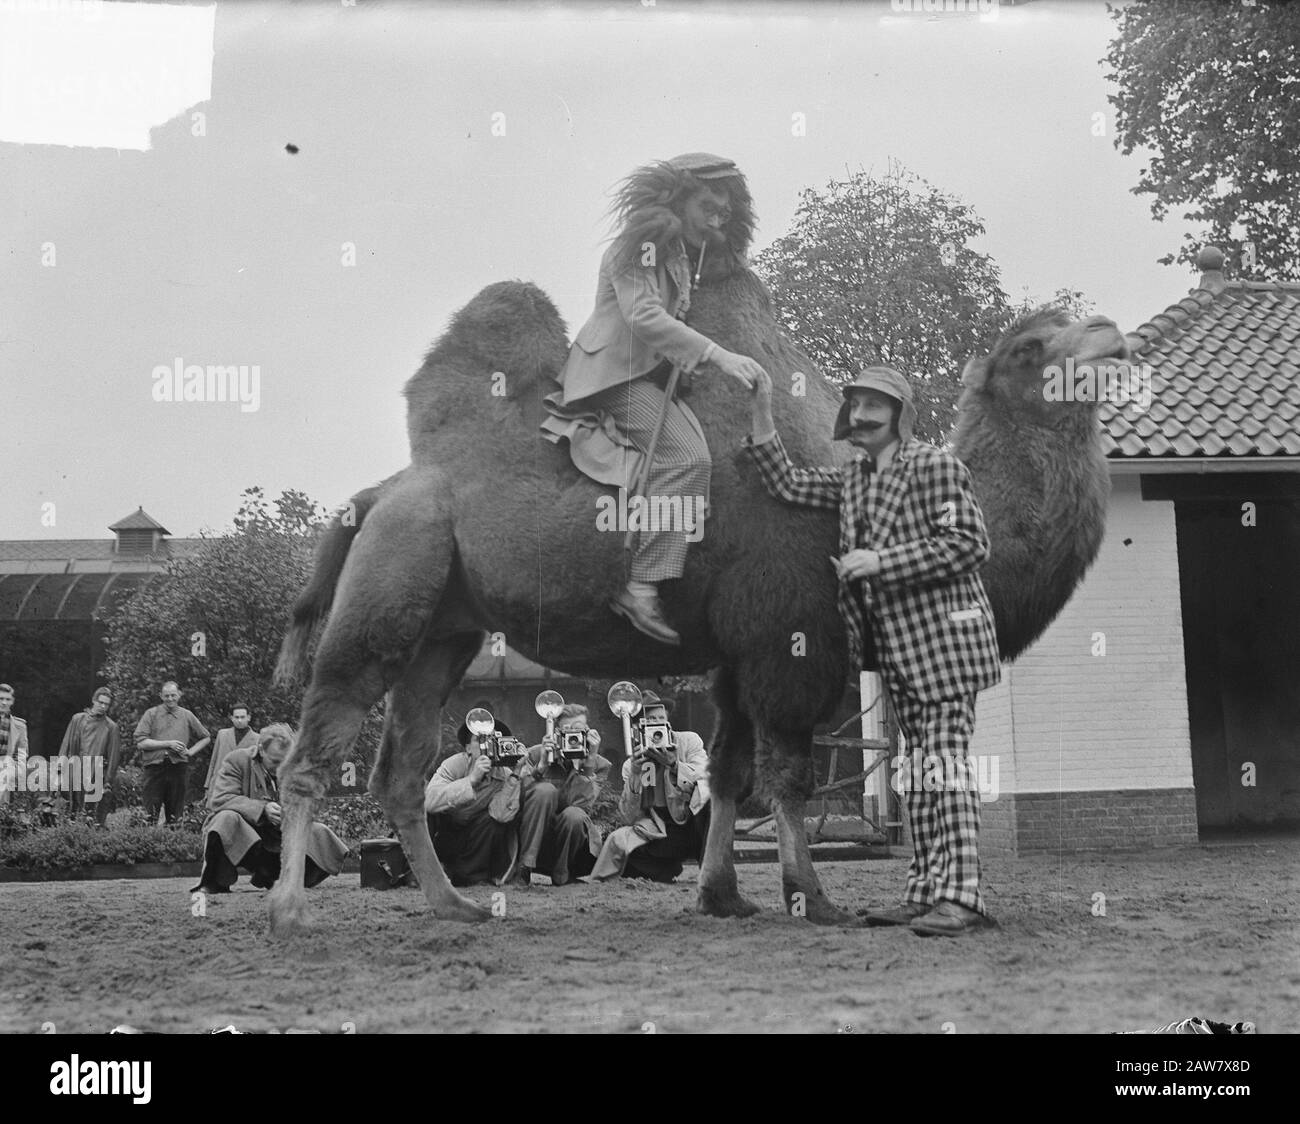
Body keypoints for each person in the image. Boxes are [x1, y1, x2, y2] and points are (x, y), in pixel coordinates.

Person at [745, 365, 1002, 936]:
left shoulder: (936, 466)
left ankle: (961, 898)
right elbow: (786, 483)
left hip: (947, 648)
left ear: (900, 416)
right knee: (919, 774)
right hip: (900, 654)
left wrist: (880, 562)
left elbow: (968, 544)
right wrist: (762, 406)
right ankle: (923, 893)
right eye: (854, 404)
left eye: (873, 407)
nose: (859, 416)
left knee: (946, 772)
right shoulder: (854, 478)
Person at [541, 153, 769, 646]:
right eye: (708, 205)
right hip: (614, 376)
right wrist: (719, 357)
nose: (717, 217)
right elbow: (643, 315)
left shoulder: (682, 256)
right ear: (678, 198)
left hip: (647, 374)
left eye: (724, 212)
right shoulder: (640, 246)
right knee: (686, 458)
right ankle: (639, 585)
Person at [194, 723, 347, 893]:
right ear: (260, 750)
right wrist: (262, 809)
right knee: (225, 818)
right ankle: (215, 882)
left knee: (320, 833)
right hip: (244, 834)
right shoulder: (236, 760)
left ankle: (280, 879)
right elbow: (220, 799)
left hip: (277, 836)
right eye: (275, 761)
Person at [592, 691, 710, 882]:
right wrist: (636, 775)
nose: (657, 726)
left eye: (661, 719)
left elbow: (706, 778)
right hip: (660, 832)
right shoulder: (632, 764)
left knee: (710, 799)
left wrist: (674, 765)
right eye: (651, 721)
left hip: (692, 824)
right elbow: (628, 816)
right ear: (639, 728)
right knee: (623, 854)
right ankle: (665, 869)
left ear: (668, 722)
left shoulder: (689, 741)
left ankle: (710, 871)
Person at [513, 703, 611, 886]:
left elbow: (582, 805)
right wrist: (541, 766)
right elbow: (516, 798)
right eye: (567, 730)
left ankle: (561, 875)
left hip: (570, 842)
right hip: (532, 836)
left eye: (579, 730)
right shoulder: (535, 754)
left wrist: (586, 762)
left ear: (589, 732)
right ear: (556, 733)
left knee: (574, 815)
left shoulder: (599, 764)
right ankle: (524, 868)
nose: (573, 736)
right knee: (544, 790)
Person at [424, 718, 527, 886]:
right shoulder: (455, 764)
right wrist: (471, 780)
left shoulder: (505, 774)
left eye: (493, 741)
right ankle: (420, 871)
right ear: (468, 748)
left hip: (476, 839)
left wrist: (516, 773)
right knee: (424, 813)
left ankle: (469, 875)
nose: (487, 746)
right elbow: (430, 801)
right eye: (480, 741)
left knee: (493, 822)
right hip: (445, 833)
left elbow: (501, 816)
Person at [132, 680, 210, 826]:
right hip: (154, 768)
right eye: (166, 696)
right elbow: (141, 743)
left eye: (173, 695)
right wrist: (168, 744)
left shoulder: (187, 715)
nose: (170, 699)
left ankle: (172, 843)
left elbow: (206, 737)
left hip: (178, 768)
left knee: (175, 814)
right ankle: (147, 843)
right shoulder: (151, 714)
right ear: (161, 696)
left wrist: (190, 752)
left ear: (179, 695)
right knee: (150, 812)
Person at [56, 686, 122, 826]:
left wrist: (108, 782)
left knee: (90, 817)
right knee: (70, 813)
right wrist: (60, 769)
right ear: (93, 700)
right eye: (101, 702)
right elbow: (66, 743)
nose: (103, 706)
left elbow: (113, 758)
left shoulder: (111, 727)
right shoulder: (77, 719)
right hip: (75, 770)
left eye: (106, 704)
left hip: (95, 774)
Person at [204, 703, 256, 803]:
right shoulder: (222, 734)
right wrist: (207, 786)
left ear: (248, 717)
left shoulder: (257, 739)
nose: (239, 720)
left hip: (242, 787)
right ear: (231, 718)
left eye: (242, 717)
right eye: (236, 717)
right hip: (220, 784)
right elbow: (214, 761)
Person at [0, 683, 29, 807]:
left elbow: (22, 754)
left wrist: (15, 773)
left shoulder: (20, 726)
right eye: (1, 699)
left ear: (12, 701)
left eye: (8, 699)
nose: (4, 702)